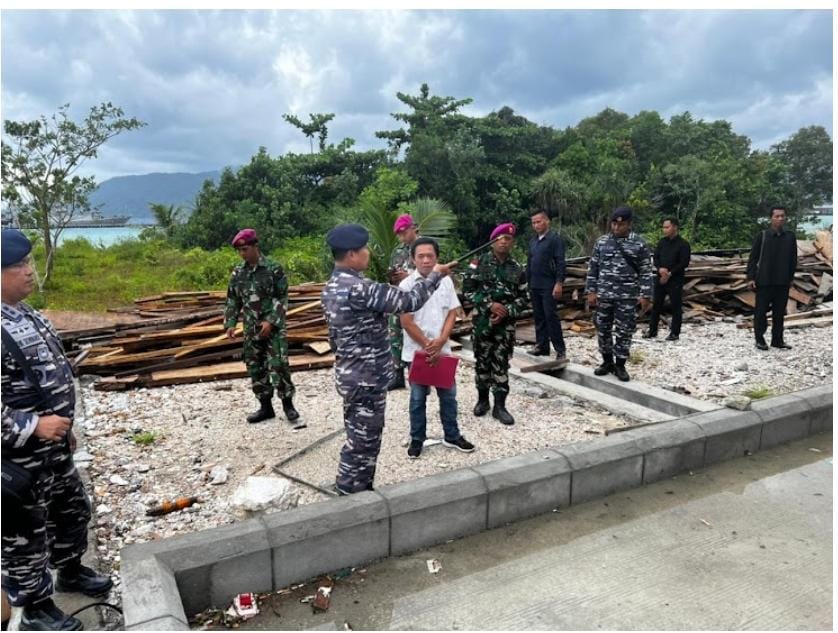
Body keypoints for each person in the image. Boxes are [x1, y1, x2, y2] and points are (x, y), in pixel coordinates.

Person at [2, 229, 112, 631]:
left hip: (54, 449)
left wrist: (63, 429)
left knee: (71, 510)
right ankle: (35, 608)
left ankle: (71, 569)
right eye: (19, 266)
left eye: (29, 263)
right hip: (18, 459)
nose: (29, 272)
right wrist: (33, 426)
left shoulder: (25, 313)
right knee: (24, 537)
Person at [320, 224, 457, 494]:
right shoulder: (361, 288)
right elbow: (410, 301)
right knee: (364, 441)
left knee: (357, 433)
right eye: (363, 249)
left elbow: (334, 337)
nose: (367, 253)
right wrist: (435, 276)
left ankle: (357, 488)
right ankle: (351, 492)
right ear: (351, 255)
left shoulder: (331, 287)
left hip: (349, 373)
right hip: (367, 378)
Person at [399, 237, 475, 459]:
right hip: (417, 352)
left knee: (449, 395)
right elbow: (406, 321)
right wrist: (427, 345)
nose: (425, 260)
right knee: (417, 398)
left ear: (436, 258)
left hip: (442, 349)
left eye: (429, 256)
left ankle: (452, 435)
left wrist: (442, 339)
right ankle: (417, 439)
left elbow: (452, 311)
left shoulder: (446, 281)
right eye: (420, 256)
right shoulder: (406, 285)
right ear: (413, 259)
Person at [223, 228, 300, 425]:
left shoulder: (273, 269)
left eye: (246, 249)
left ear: (255, 247)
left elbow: (282, 298)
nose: (243, 254)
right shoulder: (238, 273)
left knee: (279, 365)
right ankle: (265, 407)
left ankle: (288, 405)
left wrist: (271, 321)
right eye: (239, 251)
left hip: (273, 327)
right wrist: (230, 323)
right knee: (255, 366)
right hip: (251, 327)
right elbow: (233, 300)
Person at [462, 223, 529, 426]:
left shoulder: (517, 268)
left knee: (501, 365)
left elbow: (524, 297)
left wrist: (506, 311)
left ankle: (500, 406)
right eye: (499, 238)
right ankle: (482, 401)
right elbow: (467, 290)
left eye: (507, 239)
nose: (503, 242)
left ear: (512, 242)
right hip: (482, 323)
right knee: (482, 363)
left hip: (505, 327)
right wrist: (489, 305)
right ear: (493, 241)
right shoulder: (478, 263)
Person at [585, 206, 654, 382]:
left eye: (620, 225)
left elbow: (646, 271)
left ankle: (620, 364)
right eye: (614, 224)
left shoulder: (638, 243)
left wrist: (646, 295)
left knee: (624, 331)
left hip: (627, 296)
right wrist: (591, 291)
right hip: (604, 295)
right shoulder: (602, 242)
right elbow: (593, 268)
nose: (616, 228)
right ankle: (606, 361)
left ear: (629, 224)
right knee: (603, 328)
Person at [746, 206, 798, 351]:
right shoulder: (763, 236)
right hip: (764, 281)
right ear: (771, 218)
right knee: (760, 312)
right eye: (777, 216)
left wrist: (791, 277)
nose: (780, 219)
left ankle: (777, 340)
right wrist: (750, 278)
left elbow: (793, 259)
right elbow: (753, 258)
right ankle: (760, 339)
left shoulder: (790, 237)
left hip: (782, 282)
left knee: (779, 313)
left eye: (782, 216)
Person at [526, 210, 568, 366]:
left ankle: (560, 349)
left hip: (549, 285)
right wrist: (527, 282)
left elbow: (560, 262)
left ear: (547, 222)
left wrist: (559, 282)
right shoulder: (533, 241)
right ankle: (542, 346)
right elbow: (529, 263)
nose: (536, 225)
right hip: (535, 284)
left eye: (539, 221)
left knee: (551, 317)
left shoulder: (554, 240)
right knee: (538, 317)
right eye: (534, 223)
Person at [386, 214, 420, 390]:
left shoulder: (425, 248)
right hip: (399, 299)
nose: (401, 237)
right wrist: (393, 277)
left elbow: (432, 273)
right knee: (395, 335)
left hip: (419, 301)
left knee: (417, 336)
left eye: (403, 232)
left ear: (413, 228)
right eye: (398, 234)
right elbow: (392, 272)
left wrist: (410, 276)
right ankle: (397, 374)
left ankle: (419, 377)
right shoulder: (398, 251)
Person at [644, 217, 691, 341]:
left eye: (667, 227)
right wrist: (660, 269)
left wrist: (670, 273)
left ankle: (675, 333)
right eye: (663, 227)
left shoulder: (683, 244)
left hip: (675, 279)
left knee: (676, 306)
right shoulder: (662, 242)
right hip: (660, 278)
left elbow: (684, 262)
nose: (664, 230)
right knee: (656, 305)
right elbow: (656, 257)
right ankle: (652, 330)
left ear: (675, 227)